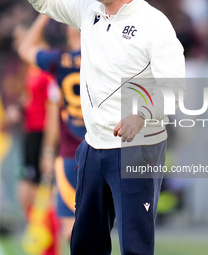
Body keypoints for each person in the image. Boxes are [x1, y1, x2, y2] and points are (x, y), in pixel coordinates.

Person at [27, 0, 185, 254]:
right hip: (93, 145)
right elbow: (43, 2)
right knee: (84, 245)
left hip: (137, 146)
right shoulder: (88, 10)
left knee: (135, 247)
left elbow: (175, 87)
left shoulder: (154, 23)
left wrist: (142, 114)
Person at [17, 15, 86, 244]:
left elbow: (26, 48)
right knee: (97, 225)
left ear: (69, 32)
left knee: (70, 228)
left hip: (68, 153)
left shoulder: (59, 61)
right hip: (98, 150)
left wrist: (45, 14)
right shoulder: (101, 60)